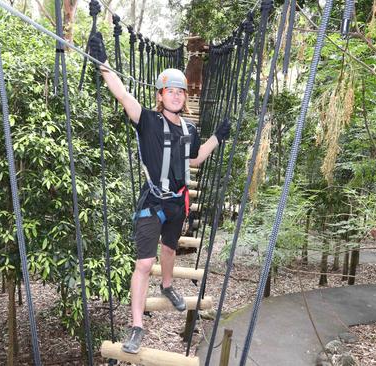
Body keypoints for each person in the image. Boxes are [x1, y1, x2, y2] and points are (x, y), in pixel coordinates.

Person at [88, 32, 231, 354]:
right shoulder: (147, 120)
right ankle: (137, 325)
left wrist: (217, 138)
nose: (177, 96)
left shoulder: (190, 129)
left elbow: (194, 159)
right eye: (171, 91)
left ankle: (167, 286)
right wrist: (103, 64)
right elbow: (123, 95)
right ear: (160, 95)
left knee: (169, 251)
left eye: (181, 92)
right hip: (152, 201)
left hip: (178, 203)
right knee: (143, 263)